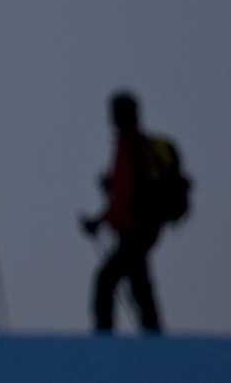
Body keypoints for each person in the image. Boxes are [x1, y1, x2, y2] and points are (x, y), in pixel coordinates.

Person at [80, 91, 164, 334]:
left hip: (133, 228)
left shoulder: (127, 145)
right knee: (139, 284)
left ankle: (106, 339)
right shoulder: (139, 144)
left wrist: (99, 221)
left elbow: (124, 196)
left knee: (106, 282)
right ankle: (155, 338)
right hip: (145, 228)